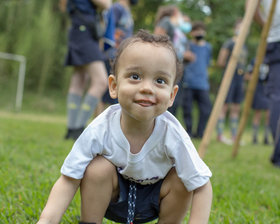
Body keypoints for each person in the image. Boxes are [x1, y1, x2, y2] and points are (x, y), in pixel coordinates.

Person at [37, 30, 212, 224]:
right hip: (112, 198)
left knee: (183, 178)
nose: (147, 88)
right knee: (97, 168)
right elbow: (69, 178)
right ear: (113, 86)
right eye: (135, 76)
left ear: (172, 95)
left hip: (156, 199)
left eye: (160, 81)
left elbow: (202, 185)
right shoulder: (101, 128)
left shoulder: (172, 133)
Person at [62, 0, 111, 140]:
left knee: (79, 79)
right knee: (101, 81)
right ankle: (78, 127)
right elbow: (106, 4)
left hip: (79, 28)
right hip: (84, 30)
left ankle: (72, 130)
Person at [252, 0, 280, 167]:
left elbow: (252, 8)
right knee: (277, 97)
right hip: (276, 39)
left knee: (277, 96)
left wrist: (267, 25)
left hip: (276, 39)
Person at [154, 6, 195, 116]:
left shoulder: (179, 30)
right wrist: (182, 54)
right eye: (180, 14)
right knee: (167, 98)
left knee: (175, 101)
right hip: (168, 66)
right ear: (175, 13)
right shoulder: (166, 21)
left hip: (179, 68)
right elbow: (158, 41)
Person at [100, 0, 138, 113]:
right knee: (105, 93)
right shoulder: (117, 8)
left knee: (114, 95)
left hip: (121, 57)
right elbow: (106, 29)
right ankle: (99, 123)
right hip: (111, 56)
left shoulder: (127, 11)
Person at [216, 19, 248, 145]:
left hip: (239, 79)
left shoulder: (244, 45)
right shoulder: (229, 43)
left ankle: (234, 136)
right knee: (224, 106)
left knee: (236, 107)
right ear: (236, 28)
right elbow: (220, 61)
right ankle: (220, 135)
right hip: (229, 78)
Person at [182, 21, 212, 138]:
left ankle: (200, 133)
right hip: (188, 82)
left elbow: (207, 63)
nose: (199, 33)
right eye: (196, 31)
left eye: (201, 30)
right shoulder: (187, 46)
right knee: (187, 109)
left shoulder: (208, 47)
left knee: (206, 109)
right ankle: (189, 132)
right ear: (192, 33)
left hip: (202, 84)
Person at [245, 59, 270, 145]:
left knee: (269, 114)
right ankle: (254, 138)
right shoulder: (255, 60)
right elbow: (247, 76)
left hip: (268, 88)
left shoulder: (271, 59)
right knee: (257, 113)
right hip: (258, 89)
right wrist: (254, 77)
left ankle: (266, 138)